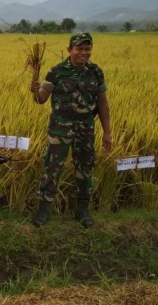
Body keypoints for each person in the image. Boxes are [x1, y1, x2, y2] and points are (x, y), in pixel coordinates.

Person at [29, 32, 111, 228]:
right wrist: (34, 90)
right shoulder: (56, 72)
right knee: (52, 168)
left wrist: (107, 132)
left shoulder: (96, 72)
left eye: (87, 48)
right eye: (79, 48)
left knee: (85, 168)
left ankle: (82, 211)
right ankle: (44, 210)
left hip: (86, 128)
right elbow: (41, 100)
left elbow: (103, 103)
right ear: (70, 50)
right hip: (60, 128)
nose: (84, 52)